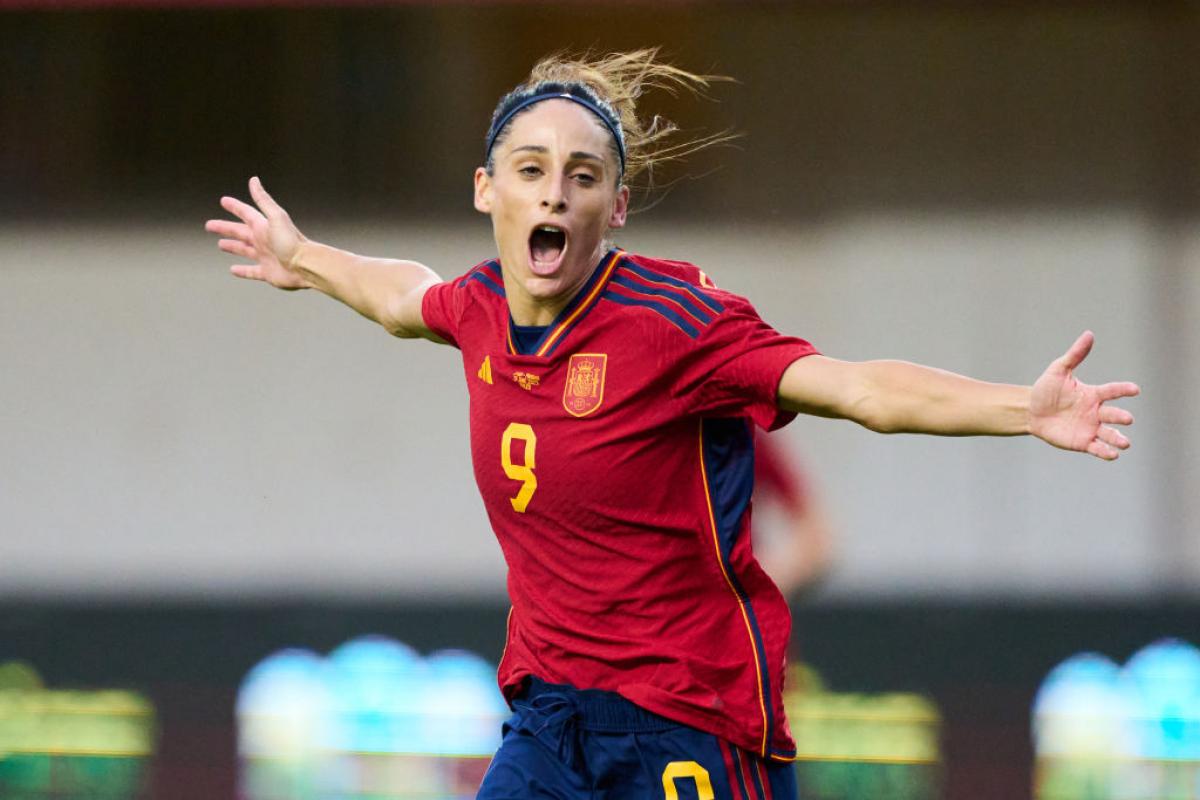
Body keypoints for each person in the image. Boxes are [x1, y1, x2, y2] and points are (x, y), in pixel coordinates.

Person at [205, 49, 1138, 800]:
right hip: (550, 721)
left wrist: (1024, 409)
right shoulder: (477, 306)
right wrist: (304, 257)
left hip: (691, 718)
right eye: (530, 171)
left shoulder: (674, 326)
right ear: (487, 190)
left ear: (613, 207)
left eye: (581, 176)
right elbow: (400, 294)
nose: (553, 193)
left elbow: (856, 388)